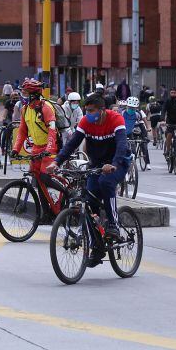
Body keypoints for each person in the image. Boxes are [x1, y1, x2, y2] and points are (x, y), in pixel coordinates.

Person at [54, 92, 131, 266]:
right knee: (89, 200)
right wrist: (57, 162)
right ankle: (97, 247)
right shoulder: (86, 122)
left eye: (92, 110)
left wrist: (114, 163)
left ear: (102, 110)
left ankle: (114, 224)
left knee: (106, 182)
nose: (88, 114)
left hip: (117, 162)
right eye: (86, 110)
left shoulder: (115, 119)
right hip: (96, 164)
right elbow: (72, 143)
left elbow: (121, 144)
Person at [12, 78, 60, 187]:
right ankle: (43, 204)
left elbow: (52, 131)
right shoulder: (25, 109)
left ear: (33, 95)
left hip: (50, 148)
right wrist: (16, 149)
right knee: (36, 178)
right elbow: (22, 132)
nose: (22, 96)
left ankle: (66, 193)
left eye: (25, 93)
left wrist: (49, 149)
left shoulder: (46, 108)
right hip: (36, 148)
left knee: (45, 177)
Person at [121, 96, 151, 169]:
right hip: (126, 131)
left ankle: (147, 163)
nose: (132, 109)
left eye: (133, 108)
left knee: (143, 145)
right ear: (127, 106)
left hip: (139, 128)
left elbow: (143, 123)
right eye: (130, 107)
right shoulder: (122, 113)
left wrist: (148, 129)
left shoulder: (138, 114)